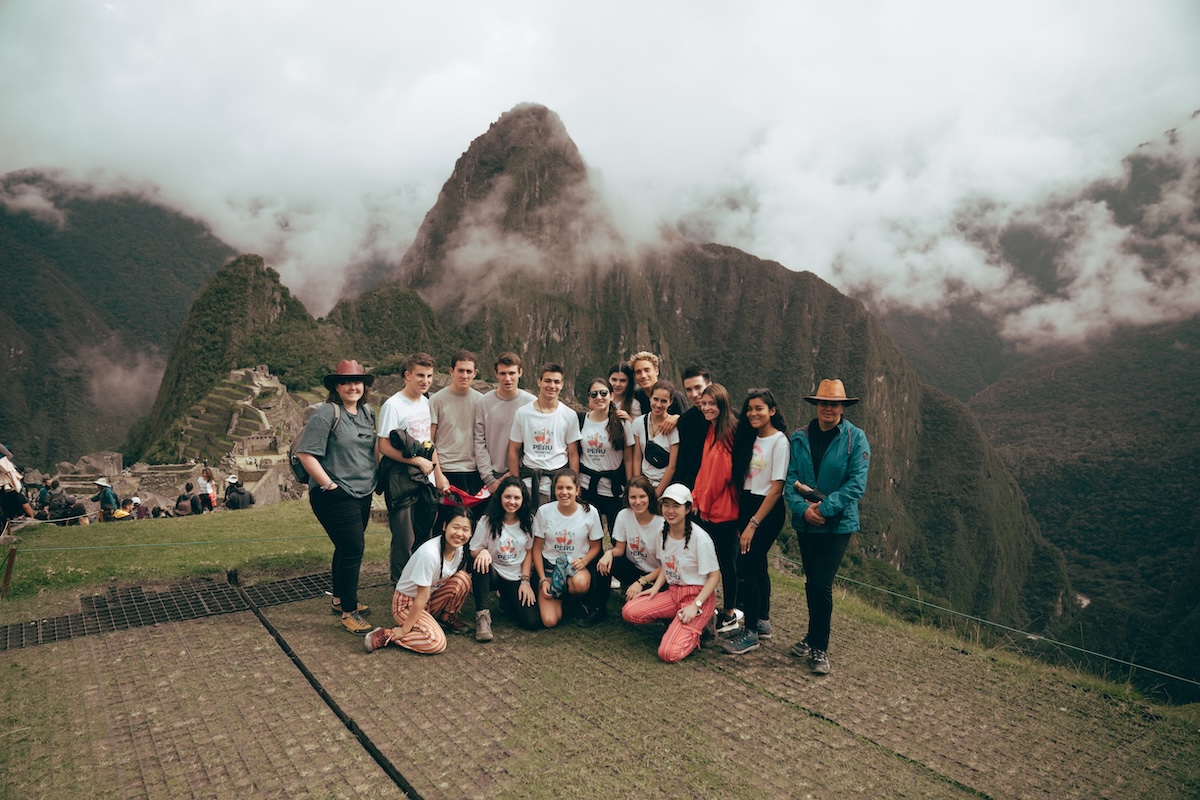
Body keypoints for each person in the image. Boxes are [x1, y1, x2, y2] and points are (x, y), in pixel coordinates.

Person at [784, 379, 870, 676]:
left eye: (834, 404)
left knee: (821, 583)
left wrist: (824, 508)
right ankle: (811, 637)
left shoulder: (855, 439)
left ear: (842, 407)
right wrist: (803, 509)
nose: (828, 409)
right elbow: (789, 479)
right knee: (812, 583)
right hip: (807, 524)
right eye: (824, 403)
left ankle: (819, 646)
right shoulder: (799, 438)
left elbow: (856, 485)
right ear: (816, 405)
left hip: (838, 526)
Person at [296, 359, 379, 635]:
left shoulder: (367, 413)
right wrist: (329, 484)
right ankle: (349, 612)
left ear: (364, 386)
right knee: (353, 549)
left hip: (362, 492)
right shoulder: (327, 414)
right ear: (336, 386)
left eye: (357, 382)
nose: (352, 387)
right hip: (335, 495)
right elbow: (306, 454)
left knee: (345, 549)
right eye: (345, 382)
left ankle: (339, 599)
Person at [621, 483, 721, 663]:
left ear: (688, 508)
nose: (670, 510)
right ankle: (677, 622)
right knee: (630, 611)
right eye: (666, 505)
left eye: (676, 506)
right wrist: (656, 587)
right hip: (674, 592)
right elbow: (665, 565)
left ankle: (703, 625)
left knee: (668, 653)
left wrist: (695, 605)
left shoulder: (700, 539)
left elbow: (714, 577)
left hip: (697, 597)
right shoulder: (662, 532)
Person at [723, 389, 789, 655]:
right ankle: (762, 621)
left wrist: (753, 523)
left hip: (766, 509)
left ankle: (750, 632)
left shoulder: (779, 441)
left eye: (759, 408)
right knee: (758, 563)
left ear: (772, 410)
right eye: (749, 408)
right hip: (748, 502)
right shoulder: (749, 437)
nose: (753, 413)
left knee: (747, 567)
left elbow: (776, 488)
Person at [364, 504, 474, 655]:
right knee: (436, 643)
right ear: (444, 526)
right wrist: (404, 630)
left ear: (471, 533)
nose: (459, 533)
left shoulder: (460, 549)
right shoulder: (429, 554)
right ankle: (388, 634)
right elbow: (421, 596)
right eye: (455, 527)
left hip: (429, 599)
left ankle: (446, 617)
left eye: (465, 530)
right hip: (407, 603)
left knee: (464, 579)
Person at [377, 352, 440, 584]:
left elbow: (431, 443)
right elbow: (383, 444)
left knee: (425, 533)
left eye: (429, 376)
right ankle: (400, 585)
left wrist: (438, 475)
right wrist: (416, 461)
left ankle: (421, 584)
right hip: (401, 478)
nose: (425, 381)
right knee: (405, 537)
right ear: (408, 375)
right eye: (420, 375)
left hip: (426, 477)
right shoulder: (393, 405)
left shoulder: (428, 402)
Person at [692, 383, 742, 636]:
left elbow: (721, 476)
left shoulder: (728, 432)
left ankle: (730, 613)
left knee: (726, 563)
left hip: (723, 511)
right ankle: (711, 607)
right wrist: (695, 497)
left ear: (722, 405)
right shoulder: (712, 430)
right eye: (704, 403)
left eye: (712, 404)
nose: (707, 408)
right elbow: (704, 471)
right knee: (710, 561)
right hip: (708, 507)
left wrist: (703, 504)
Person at [468, 475, 540, 641]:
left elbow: (529, 552)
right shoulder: (487, 520)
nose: (511, 501)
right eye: (507, 496)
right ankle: (482, 616)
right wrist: (482, 551)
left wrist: (525, 581)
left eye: (516, 497)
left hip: (515, 575)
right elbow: (473, 549)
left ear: (523, 499)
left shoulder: (529, 521)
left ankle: (508, 598)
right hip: (493, 573)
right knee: (480, 563)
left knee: (532, 622)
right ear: (500, 497)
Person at [532, 469, 604, 628]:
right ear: (554, 489)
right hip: (551, 568)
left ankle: (574, 601)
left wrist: (584, 560)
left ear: (577, 489)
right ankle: (560, 598)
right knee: (550, 621)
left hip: (575, 568)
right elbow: (536, 549)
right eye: (559, 488)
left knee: (580, 583)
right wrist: (543, 579)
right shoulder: (544, 512)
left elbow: (596, 546)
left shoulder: (590, 512)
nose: (564, 492)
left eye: (569, 488)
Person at [507, 362, 581, 507]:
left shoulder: (569, 415)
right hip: (528, 481)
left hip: (557, 484)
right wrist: (516, 484)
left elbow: (573, 454)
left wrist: (573, 484)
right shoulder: (523, 413)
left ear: (562, 384)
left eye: (556, 382)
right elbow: (513, 449)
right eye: (547, 381)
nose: (552, 386)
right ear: (539, 381)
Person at [577, 377, 634, 534]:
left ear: (611, 396)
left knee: (618, 535)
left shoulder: (622, 424)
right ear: (588, 398)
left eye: (603, 393)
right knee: (588, 535)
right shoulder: (581, 421)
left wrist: (630, 487)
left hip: (614, 488)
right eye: (594, 394)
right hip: (587, 486)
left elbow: (628, 458)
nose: (599, 398)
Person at [474, 352, 536, 494]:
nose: (507, 379)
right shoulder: (484, 402)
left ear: (520, 372)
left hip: (523, 474)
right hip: (491, 475)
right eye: (503, 373)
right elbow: (479, 441)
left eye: (512, 373)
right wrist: (489, 479)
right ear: (496, 374)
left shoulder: (531, 403)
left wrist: (516, 472)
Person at [597, 476, 663, 600]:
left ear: (650, 496)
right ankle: (599, 606)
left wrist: (641, 582)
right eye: (633, 497)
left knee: (635, 612)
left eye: (642, 496)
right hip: (634, 568)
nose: (637, 502)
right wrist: (609, 553)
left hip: (656, 575)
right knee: (604, 563)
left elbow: (666, 566)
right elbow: (620, 550)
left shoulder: (661, 523)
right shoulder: (623, 515)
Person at [429, 349, 484, 495]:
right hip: (446, 469)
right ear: (451, 371)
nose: (464, 376)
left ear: (475, 373)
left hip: (474, 471)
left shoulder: (481, 401)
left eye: (468, 371)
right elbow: (429, 440)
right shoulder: (436, 400)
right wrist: (437, 474)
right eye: (460, 371)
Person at [632, 380, 680, 496]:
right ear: (650, 398)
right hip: (644, 481)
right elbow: (637, 456)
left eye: (663, 401)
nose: (658, 405)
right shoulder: (639, 423)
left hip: (664, 485)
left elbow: (672, 466)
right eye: (655, 399)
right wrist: (638, 486)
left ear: (670, 402)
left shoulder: (674, 428)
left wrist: (657, 494)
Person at [674, 366, 713, 489]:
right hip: (694, 488)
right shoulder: (685, 421)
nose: (694, 394)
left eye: (698, 388)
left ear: (709, 385)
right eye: (689, 390)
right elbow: (682, 462)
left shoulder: (731, 418)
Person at [628, 352, 689, 426]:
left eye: (647, 370)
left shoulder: (675, 396)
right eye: (638, 372)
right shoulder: (637, 396)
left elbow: (687, 423)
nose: (643, 375)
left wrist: (678, 418)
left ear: (656, 371)